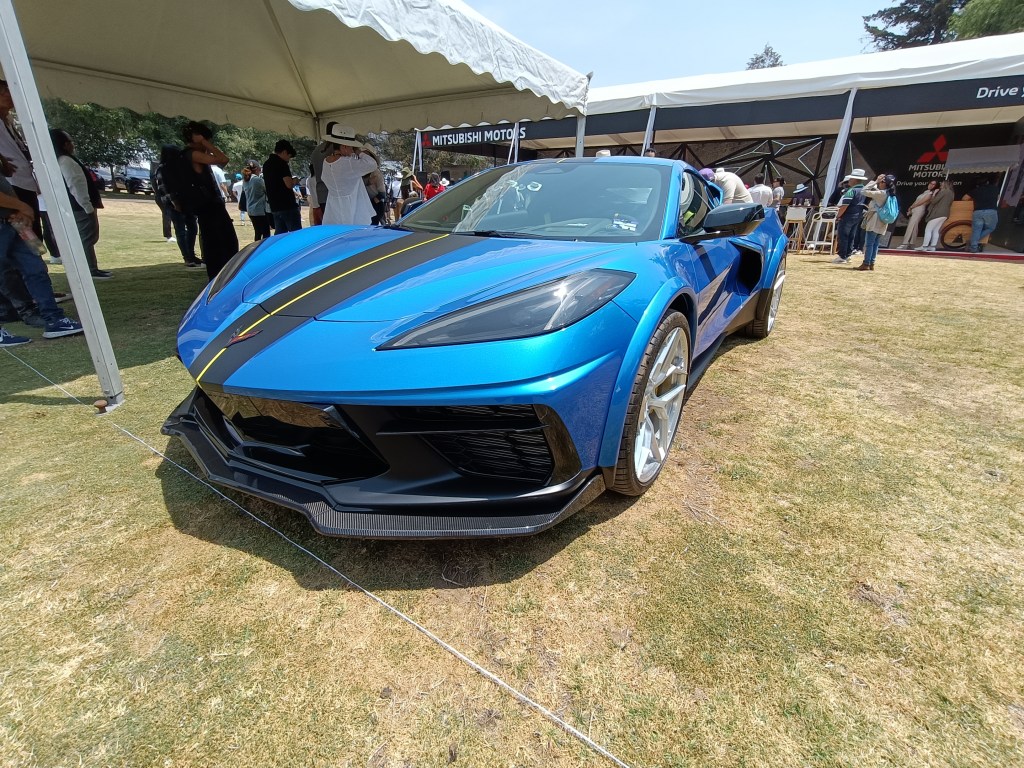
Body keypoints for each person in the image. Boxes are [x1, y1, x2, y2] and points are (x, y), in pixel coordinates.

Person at [0, 167, 84, 338]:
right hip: (6, 222)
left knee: (35, 269)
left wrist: (19, 211)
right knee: (11, 273)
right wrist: (23, 206)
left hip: (12, 222)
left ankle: (54, 319)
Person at [50, 129, 112, 280]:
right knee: (86, 238)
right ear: (65, 144)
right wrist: (87, 206)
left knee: (87, 238)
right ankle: (89, 270)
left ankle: (92, 268)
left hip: (78, 205)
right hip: (79, 207)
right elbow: (76, 185)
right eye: (70, 141)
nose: (73, 145)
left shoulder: (63, 160)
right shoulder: (66, 161)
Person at [181, 122, 238, 279]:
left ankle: (220, 276)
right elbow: (223, 159)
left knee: (220, 245)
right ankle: (220, 278)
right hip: (209, 208)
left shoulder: (187, 155)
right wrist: (204, 142)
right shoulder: (192, 154)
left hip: (207, 208)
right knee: (222, 246)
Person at [153, 145, 201, 268]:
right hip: (174, 204)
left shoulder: (180, 167)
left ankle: (191, 254)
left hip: (187, 202)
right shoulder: (163, 169)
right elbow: (164, 188)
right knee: (180, 230)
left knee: (192, 228)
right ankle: (187, 257)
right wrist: (175, 202)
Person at [319, 133, 378, 226]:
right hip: (353, 207)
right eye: (351, 148)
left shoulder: (326, 162)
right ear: (344, 146)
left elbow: (324, 178)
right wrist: (359, 152)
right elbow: (372, 164)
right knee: (353, 231)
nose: (352, 151)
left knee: (337, 232)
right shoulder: (349, 163)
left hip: (333, 208)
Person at [856, 173, 896, 271]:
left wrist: (875, 181)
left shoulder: (881, 194)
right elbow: (875, 191)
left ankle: (866, 263)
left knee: (869, 243)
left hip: (875, 219)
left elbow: (864, 191)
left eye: (881, 182)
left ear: (884, 183)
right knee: (875, 244)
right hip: (883, 221)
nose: (879, 183)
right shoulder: (888, 194)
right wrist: (876, 183)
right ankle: (872, 263)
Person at [262, 139, 301, 233]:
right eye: (289, 156)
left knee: (280, 234)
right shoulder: (281, 164)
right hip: (287, 205)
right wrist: (295, 180)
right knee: (296, 234)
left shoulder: (266, 164)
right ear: (284, 152)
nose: (288, 159)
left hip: (274, 205)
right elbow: (289, 184)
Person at [832, 169, 869, 264]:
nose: (849, 181)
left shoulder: (851, 190)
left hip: (848, 216)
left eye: (851, 179)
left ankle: (842, 256)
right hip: (858, 215)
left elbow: (844, 206)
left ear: (855, 180)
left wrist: (838, 216)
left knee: (843, 235)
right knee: (851, 236)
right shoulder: (864, 190)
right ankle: (848, 255)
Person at [963, 176, 1000, 253]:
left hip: (978, 212)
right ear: (987, 182)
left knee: (976, 230)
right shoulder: (994, 189)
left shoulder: (976, 190)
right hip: (990, 211)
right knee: (991, 228)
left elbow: (964, 198)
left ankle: (973, 247)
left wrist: (974, 199)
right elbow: (998, 198)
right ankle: (972, 241)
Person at [917, 179, 954, 252]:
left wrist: (934, 194)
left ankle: (924, 246)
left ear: (945, 184)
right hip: (945, 214)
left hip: (937, 213)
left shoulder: (943, 192)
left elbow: (934, 201)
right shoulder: (951, 193)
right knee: (935, 230)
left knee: (928, 229)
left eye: (942, 183)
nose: (941, 184)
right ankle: (932, 246)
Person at [898, 180, 937, 248]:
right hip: (915, 208)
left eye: (933, 184)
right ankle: (911, 243)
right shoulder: (925, 192)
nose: (931, 185)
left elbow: (921, 202)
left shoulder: (931, 193)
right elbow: (917, 201)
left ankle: (905, 243)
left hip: (920, 209)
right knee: (913, 226)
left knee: (912, 226)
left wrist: (912, 206)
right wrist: (911, 207)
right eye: (930, 183)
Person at [360, 144, 388, 225]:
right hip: (364, 204)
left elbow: (382, 194)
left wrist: (370, 203)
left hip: (375, 205)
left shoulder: (376, 173)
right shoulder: (360, 171)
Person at [242, 162, 270, 241]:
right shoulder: (258, 180)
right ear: (257, 169)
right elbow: (267, 191)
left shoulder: (245, 180)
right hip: (260, 210)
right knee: (266, 233)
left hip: (250, 210)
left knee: (257, 232)